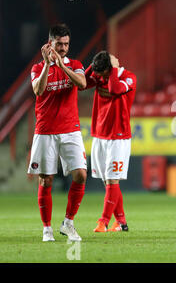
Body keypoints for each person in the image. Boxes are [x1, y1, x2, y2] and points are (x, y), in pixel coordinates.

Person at [28, 23, 87, 242]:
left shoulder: (76, 64)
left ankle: (68, 223)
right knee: (46, 180)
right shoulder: (37, 68)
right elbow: (38, 90)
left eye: (66, 44)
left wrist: (62, 66)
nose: (63, 48)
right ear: (50, 43)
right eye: (59, 44)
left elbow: (81, 83)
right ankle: (47, 229)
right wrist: (47, 65)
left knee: (81, 174)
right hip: (45, 130)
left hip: (70, 129)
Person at [84, 51, 136, 233]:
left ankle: (103, 221)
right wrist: (93, 63)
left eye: (103, 73)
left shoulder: (128, 78)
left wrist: (113, 70)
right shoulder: (101, 77)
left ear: (111, 68)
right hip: (100, 135)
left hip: (118, 137)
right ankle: (121, 222)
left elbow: (115, 89)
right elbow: (82, 83)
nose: (100, 77)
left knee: (112, 180)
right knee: (108, 182)